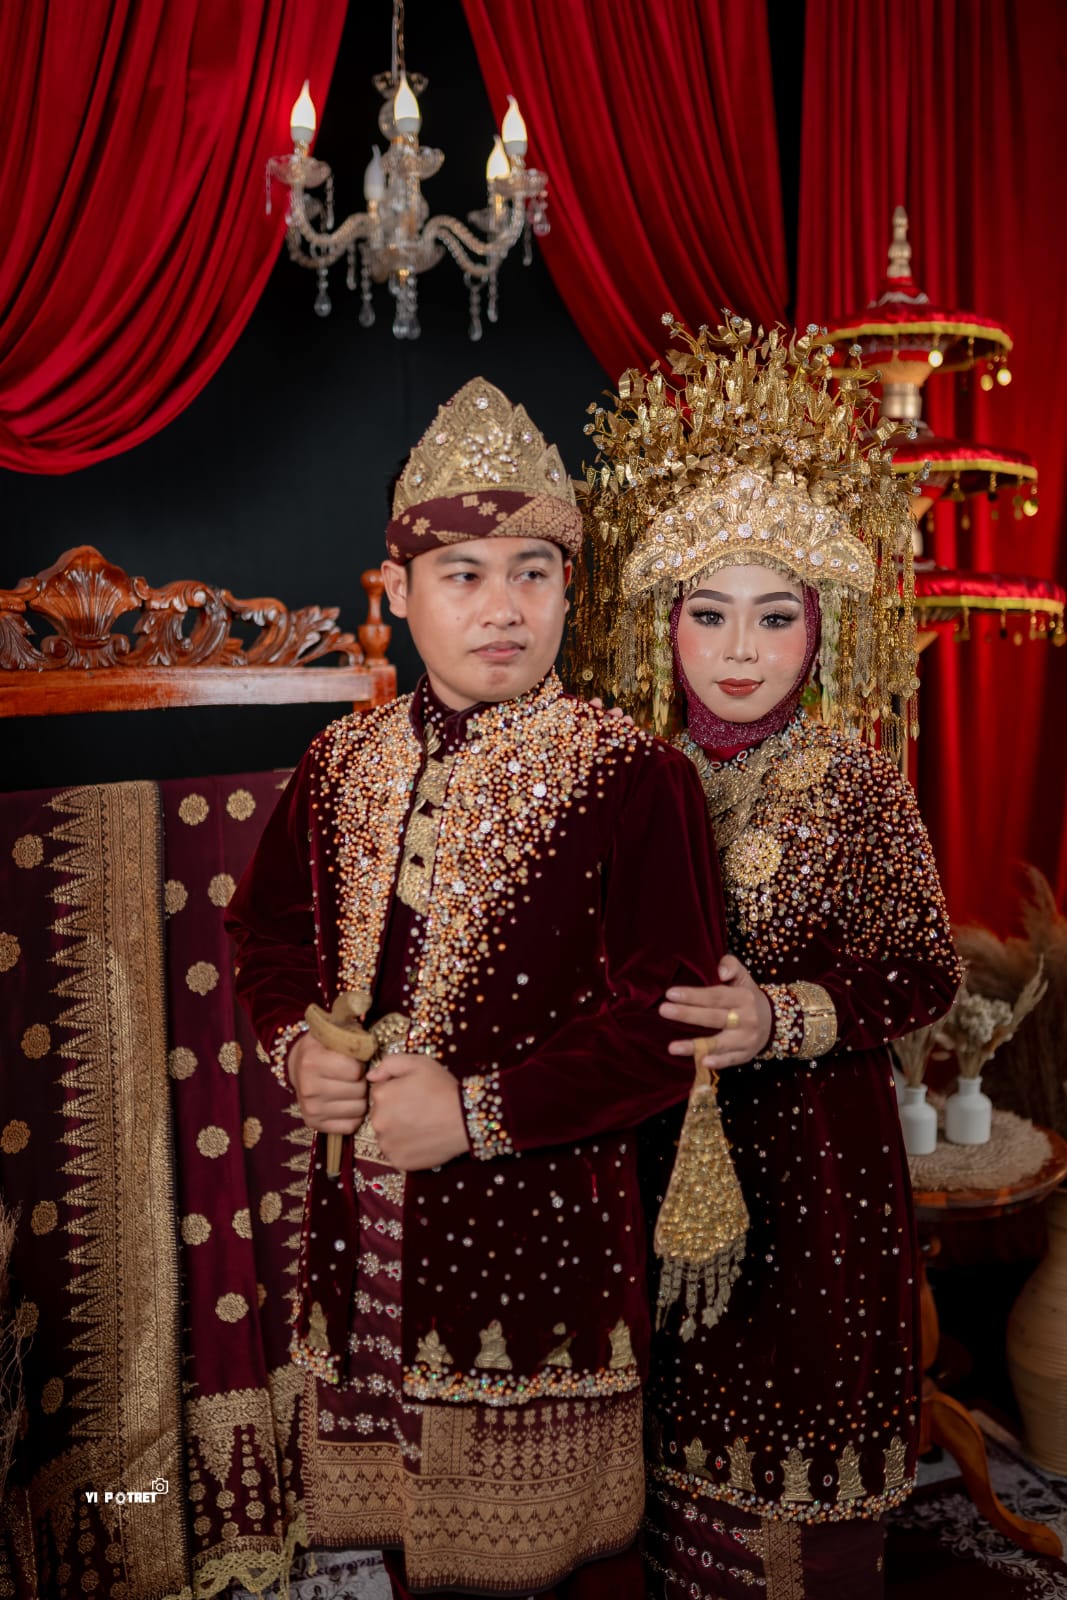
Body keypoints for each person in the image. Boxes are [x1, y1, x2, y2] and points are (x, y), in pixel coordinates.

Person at [226, 379, 728, 1599]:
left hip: (542, 1241)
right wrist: (297, 1049)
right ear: (396, 591)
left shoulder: (631, 774)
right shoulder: (341, 757)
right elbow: (267, 933)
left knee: (556, 1568)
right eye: (462, 575)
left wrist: (473, 1110)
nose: (502, 607)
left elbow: (670, 1025)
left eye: (532, 574)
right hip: (361, 1224)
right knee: (405, 1548)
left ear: (568, 589)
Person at [574, 319, 963, 1598]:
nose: (739, 650)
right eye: (709, 612)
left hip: (812, 1168)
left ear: (819, 627)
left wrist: (782, 1016)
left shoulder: (855, 778)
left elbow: (922, 967)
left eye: (773, 615)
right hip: (642, 1156)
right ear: (663, 621)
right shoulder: (628, 778)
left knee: (791, 1448)